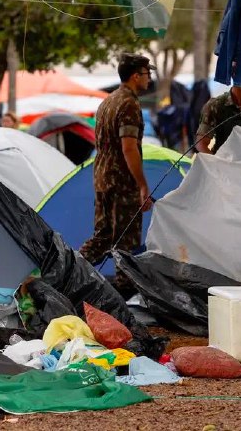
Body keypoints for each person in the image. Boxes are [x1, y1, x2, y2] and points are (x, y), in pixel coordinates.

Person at [79, 53, 154, 297]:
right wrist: (142, 185)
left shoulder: (107, 101)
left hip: (102, 178)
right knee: (125, 243)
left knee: (102, 237)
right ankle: (123, 297)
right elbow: (129, 147)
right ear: (135, 76)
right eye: (147, 73)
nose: (149, 78)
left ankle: (71, 271)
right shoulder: (129, 104)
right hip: (121, 184)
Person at [194, 84, 241, 154]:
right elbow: (201, 144)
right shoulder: (216, 105)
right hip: (224, 163)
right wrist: (216, 164)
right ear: (236, 75)